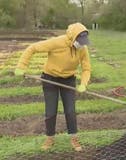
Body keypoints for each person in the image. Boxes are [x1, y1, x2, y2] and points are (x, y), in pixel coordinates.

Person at [14, 22, 91, 151]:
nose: (82, 44)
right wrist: (21, 66)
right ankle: (50, 138)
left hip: (68, 80)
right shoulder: (57, 42)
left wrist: (83, 84)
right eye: (80, 40)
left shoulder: (82, 48)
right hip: (50, 79)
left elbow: (86, 68)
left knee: (70, 111)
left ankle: (74, 138)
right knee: (51, 111)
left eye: (84, 41)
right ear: (73, 37)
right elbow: (32, 48)